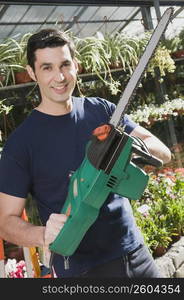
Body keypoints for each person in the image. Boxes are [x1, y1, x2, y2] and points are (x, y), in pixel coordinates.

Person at [0, 28, 171, 278]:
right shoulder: (21, 143)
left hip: (134, 252)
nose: (59, 76)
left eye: (65, 64)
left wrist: (123, 152)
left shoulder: (102, 111)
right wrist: (43, 234)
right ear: (31, 73)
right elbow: (6, 221)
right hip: (81, 269)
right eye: (47, 67)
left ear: (76, 66)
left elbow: (162, 152)